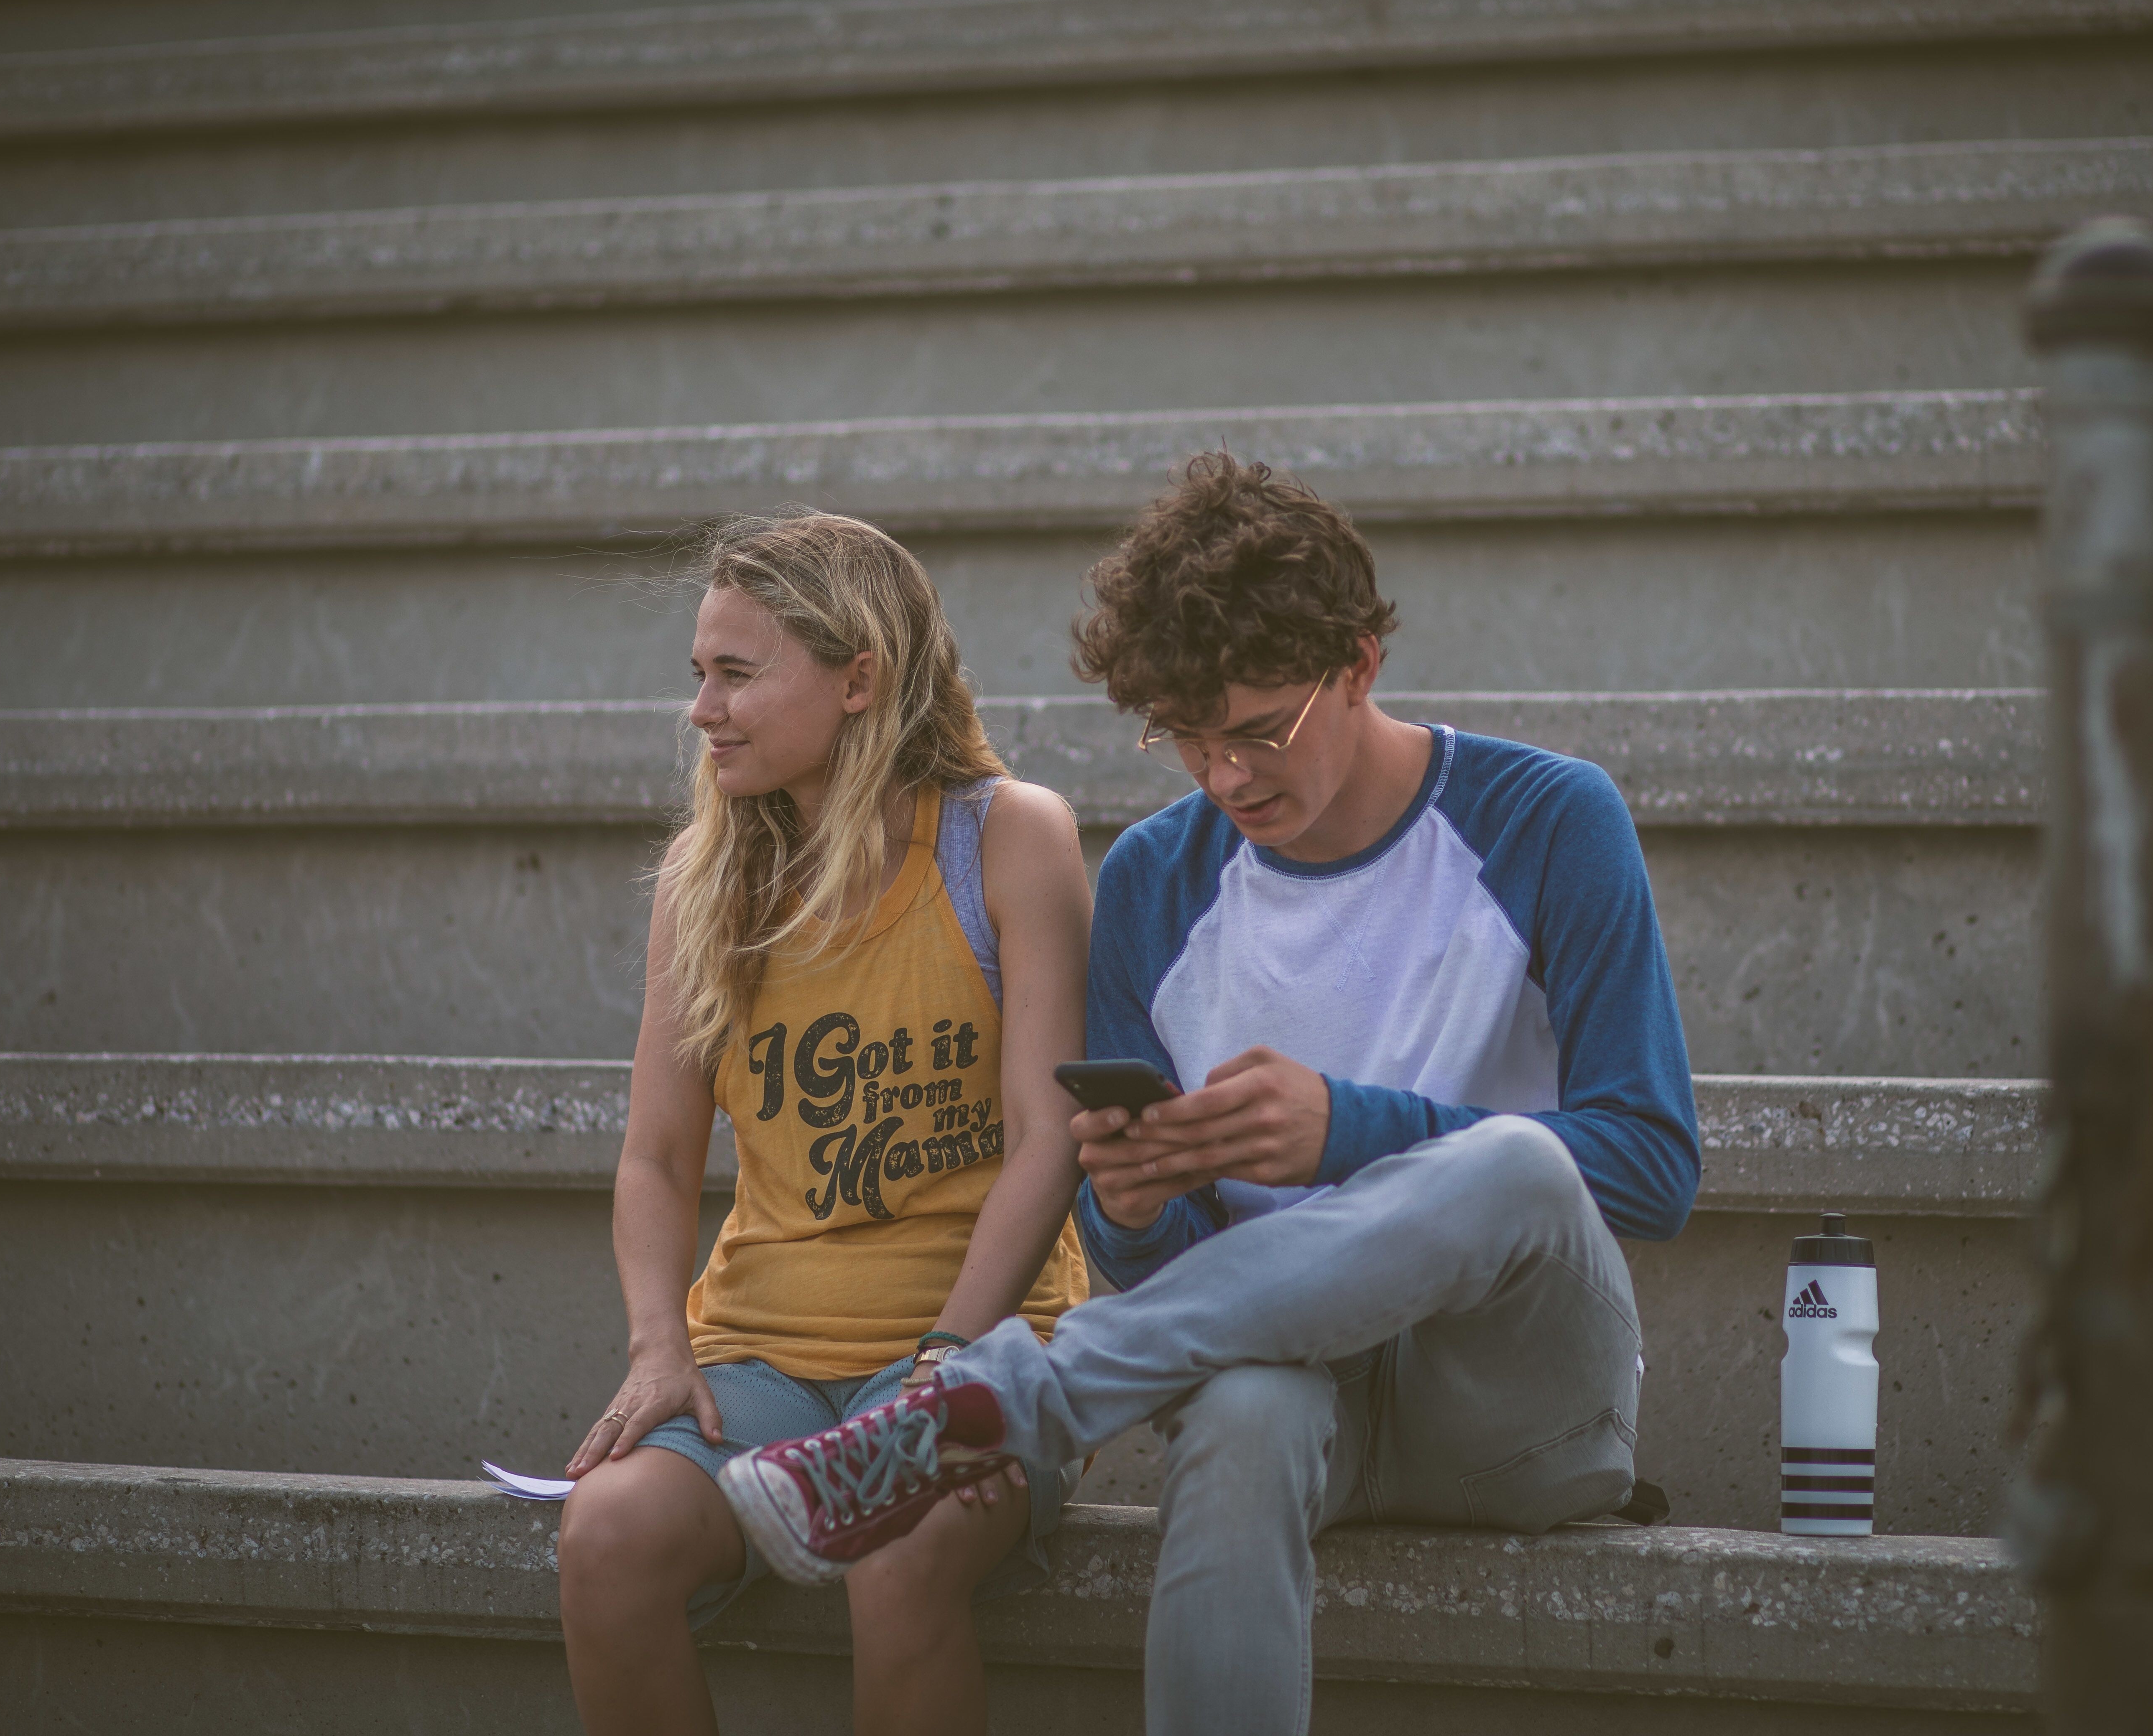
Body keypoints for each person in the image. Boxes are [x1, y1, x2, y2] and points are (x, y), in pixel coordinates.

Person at [710, 454, 1703, 1734]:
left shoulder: (1548, 819)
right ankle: (990, 1409)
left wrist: (1346, 1130)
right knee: (1238, 1410)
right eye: (1188, 737)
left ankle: (1008, 1403)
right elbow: (1165, 1265)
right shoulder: (1154, 883)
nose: (1227, 776)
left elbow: (1651, 1165)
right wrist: (1132, 1206)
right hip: (1291, 1389)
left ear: (1360, 665)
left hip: (1517, 1403)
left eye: (1261, 730)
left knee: (1517, 1164)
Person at [554, 512, 1095, 1736]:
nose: (704, 710)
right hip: (760, 1363)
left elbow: (1048, 1134)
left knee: (892, 1546)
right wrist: (659, 1346)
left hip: (978, 1344)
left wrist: (949, 1361)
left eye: (737, 675)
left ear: (861, 680)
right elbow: (656, 1158)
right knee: (606, 1538)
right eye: (700, 674)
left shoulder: (1010, 837)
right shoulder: (704, 875)